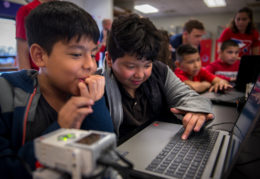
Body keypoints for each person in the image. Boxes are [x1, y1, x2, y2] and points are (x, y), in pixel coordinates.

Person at [0, 1, 114, 178]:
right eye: (76, 54)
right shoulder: (6, 94)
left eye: (92, 54)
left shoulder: (86, 87)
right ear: (39, 56)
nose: (90, 65)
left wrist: (94, 103)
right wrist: (61, 129)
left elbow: (105, 159)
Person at [102, 14, 214, 143]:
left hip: (163, 144)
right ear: (110, 59)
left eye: (147, 65)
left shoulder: (160, 71)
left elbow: (192, 98)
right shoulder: (98, 87)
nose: (140, 74)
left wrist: (197, 112)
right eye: (131, 66)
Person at [16, 0, 56, 70]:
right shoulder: (28, 10)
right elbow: (22, 52)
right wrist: (27, 78)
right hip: (39, 72)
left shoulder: (64, 11)